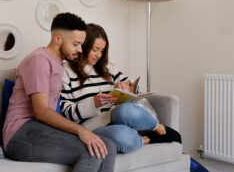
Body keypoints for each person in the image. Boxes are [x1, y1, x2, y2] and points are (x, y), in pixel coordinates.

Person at [3, 13, 116, 172]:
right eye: (76, 44)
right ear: (58, 39)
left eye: (82, 44)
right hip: (19, 134)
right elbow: (40, 111)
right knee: (92, 151)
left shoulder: (59, 63)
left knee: (108, 146)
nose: (80, 49)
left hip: (40, 129)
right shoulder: (39, 60)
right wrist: (80, 131)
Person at [61, 23, 181, 153]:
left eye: (102, 51)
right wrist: (93, 104)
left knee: (126, 111)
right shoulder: (65, 71)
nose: (99, 55)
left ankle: (159, 128)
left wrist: (125, 86)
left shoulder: (107, 67)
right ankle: (148, 138)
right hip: (92, 126)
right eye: (95, 50)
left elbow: (129, 83)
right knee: (122, 136)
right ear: (83, 46)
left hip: (116, 115)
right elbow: (66, 112)